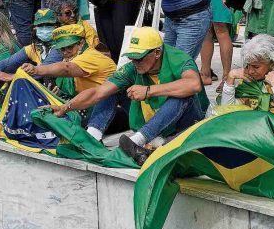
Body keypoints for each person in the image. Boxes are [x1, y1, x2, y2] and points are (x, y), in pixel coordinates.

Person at [51, 26, 207, 165]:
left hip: (184, 125)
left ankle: (137, 141)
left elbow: (193, 84)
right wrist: (65, 107)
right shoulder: (132, 68)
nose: (134, 62)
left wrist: (148, 90)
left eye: (139, 58)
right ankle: (92, 137)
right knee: (111, 89)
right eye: (132, 57)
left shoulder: (179, 59)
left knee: (183, 93)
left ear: (157, 52)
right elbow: (97, 93)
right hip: (154, 125)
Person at [20, 24, 117, 138]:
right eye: (62, 49)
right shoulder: (72, 59)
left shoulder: (90, 56)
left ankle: (93, 136)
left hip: (112, 110)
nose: (66, 52)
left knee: (108, 92)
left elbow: (67, 69)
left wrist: (36, 69)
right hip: (86, 107)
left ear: (81, 43)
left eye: (69, 47)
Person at [224, 34, 274, 118]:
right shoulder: (247, 76)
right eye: (248, 65)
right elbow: (226, 111)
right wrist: (230, 78)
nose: (250, 71)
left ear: (272, 64)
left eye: (256, 67)